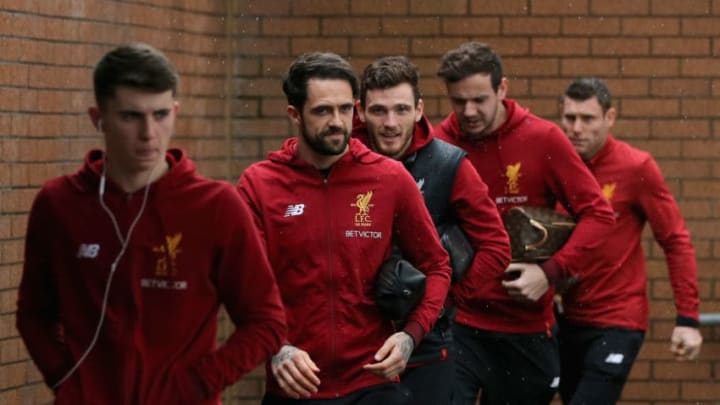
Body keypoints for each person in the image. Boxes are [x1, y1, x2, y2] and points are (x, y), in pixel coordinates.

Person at [15, 43, 287, 404]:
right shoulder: (59, 203)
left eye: (160, 115)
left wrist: (197, 385)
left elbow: (266, 322)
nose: (148, 133)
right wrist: (68, 379)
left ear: (175, 111)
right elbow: (34, 313)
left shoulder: (216, 206)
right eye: (131, 116)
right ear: (99, 118)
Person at [236, 52, 452, 405]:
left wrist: (410, 336)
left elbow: (437, 265)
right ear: (295, 114)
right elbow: (242, 285)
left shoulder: (389, 179)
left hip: (372, 385)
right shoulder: (260, 185)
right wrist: (276, 348)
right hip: (294, 386)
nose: (337, 122)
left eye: (345, 109)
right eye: (322, 111)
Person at [432, 42, 616, 404]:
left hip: (526, 328)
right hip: (458, 324)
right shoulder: (439, 145)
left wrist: (550, 273)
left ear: (502, 89)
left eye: (479, 99)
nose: (468, 111)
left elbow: (599, 215)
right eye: (458, 101)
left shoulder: (543, 138)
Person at [353, 55, 511, 405]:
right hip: (353, 340)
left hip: (425, 344)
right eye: (378, 111)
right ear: (360, 111)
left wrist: (445, 301)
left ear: (419, 109)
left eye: (401, 109)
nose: (391, 122)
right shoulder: (341, 160)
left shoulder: (447, 164)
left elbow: (497, 247)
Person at [557, 77, 702, 404]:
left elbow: (675, 240)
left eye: (588, 119)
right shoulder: (557, 164)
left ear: (609, 118)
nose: (576, 128)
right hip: (564, 318)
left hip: (617, 320)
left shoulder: (636, 167)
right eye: (569, 118)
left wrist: (688, 319)